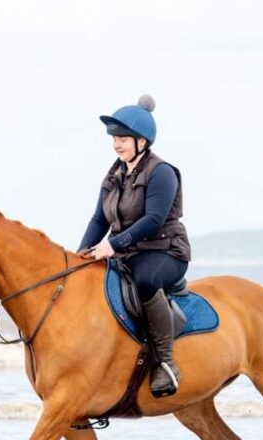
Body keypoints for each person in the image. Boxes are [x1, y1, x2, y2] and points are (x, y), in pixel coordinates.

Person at [78, 94, 192, 398]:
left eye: (123, 138)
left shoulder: (162, 172)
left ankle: (165, 362)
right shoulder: (114, 174)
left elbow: (154, 220)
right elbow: (98, 219)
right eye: (114, 138)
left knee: (144, 280)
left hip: (165, 251)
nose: (117, 144)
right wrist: (79, 254)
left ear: (142, 141)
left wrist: (113, 246)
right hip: (129, 251)